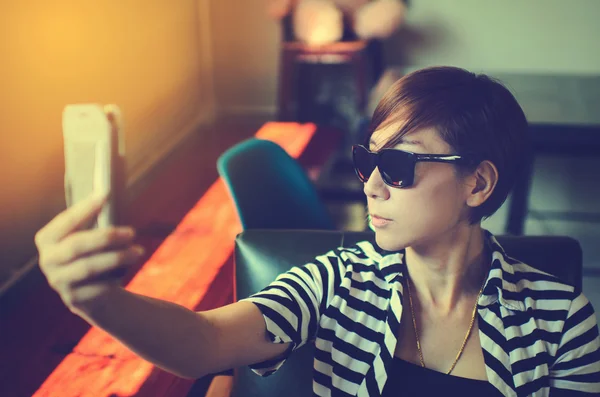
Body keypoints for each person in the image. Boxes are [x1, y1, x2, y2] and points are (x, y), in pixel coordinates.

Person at [35, 66, 600, 396]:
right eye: (367, 161)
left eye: (400, 167)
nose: (372, 186)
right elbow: (199, 343)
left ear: (477, 184)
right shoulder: (339, 280)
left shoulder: (561, 321)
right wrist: (96, 301)